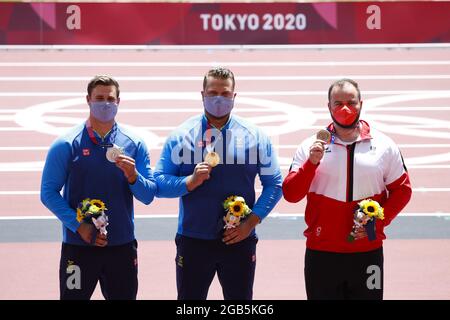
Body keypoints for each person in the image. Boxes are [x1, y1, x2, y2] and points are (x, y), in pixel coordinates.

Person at [154, 67, 282, 300]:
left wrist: (250, 223)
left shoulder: (255, 136)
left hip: (240, 238)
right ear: (202, 95)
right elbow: (159, 184)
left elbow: (274, 183)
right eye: (212, 93)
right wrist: (189, 182)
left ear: (234, 97)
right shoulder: (181, 136)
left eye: (225, 94)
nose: (219, 99)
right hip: (193, 240)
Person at [282, 78, 412, 300]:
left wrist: (379, 222)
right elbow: (291, 194)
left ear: (361, 103)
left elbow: (403, 191)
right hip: (321, 252)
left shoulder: (383, 145)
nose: (345, 109)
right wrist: (310, 164)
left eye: (351, 102)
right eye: (338, 103)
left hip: (368, 252)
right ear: (328, 106)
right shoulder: (310, 146)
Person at [40, 75, 157, 300]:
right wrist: (78, 226)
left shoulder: (134, 144)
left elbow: (148, 195)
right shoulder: (66, 144)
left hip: (121, 246)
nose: (105, 103)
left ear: (119, 101)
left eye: (110, 98)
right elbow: (48, 193)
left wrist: (134, 177)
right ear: (88, 100)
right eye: (99, 98)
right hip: (79, 246)